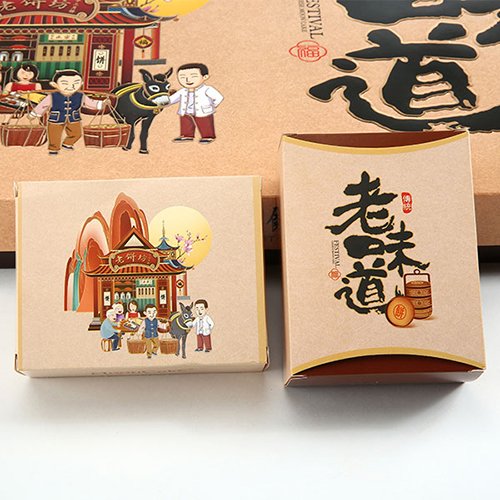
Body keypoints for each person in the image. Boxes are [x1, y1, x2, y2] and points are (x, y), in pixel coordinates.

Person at [30, 69, 103, 155]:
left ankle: (67, 143)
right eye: (65, 83)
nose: (71, 86)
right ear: (55, 85)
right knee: (54, 135)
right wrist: (35, 114)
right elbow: (43, 105)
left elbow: (90, 103)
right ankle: (54, 149)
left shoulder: (80, 95)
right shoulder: (52, 96)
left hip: (73, 118)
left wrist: (101, 104)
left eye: (76, 83)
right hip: (56, 119)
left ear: (81, 84)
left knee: (77, 133)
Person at [169, 63, 223, 144]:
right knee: (186, 123)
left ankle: (208, 136)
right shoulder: (182, 91)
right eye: (182, 77)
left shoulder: (207, 89)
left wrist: (213, 105)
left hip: (203, 111)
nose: (187, 80)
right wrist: (162, 102)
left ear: (205, 77)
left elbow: (218, 97)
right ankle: (187, 135)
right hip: (186, 111)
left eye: (193, 76)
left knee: (205, 123)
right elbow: (172, 99)